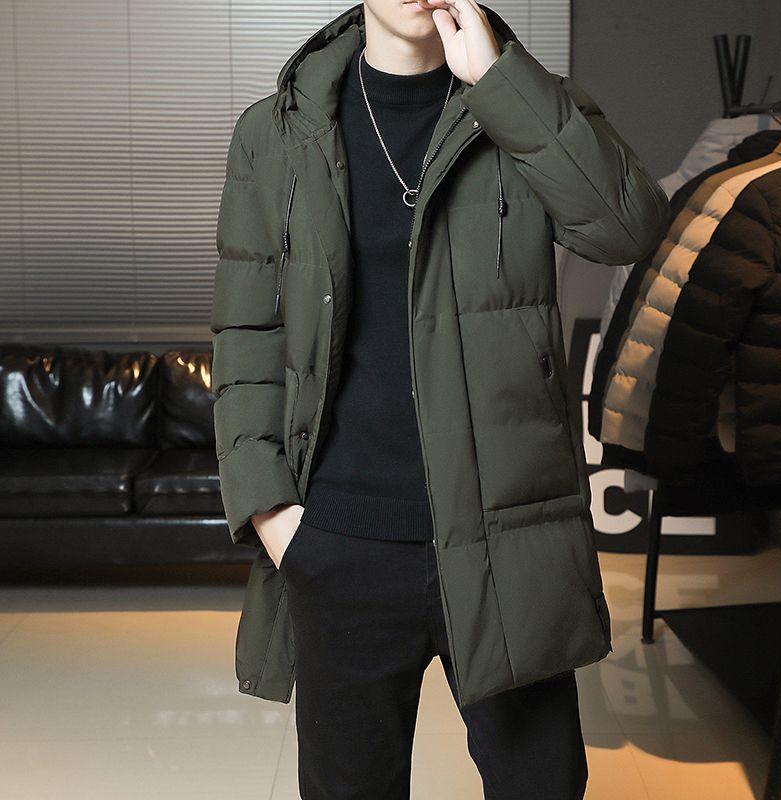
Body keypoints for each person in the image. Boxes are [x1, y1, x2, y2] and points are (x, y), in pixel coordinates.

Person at [210, 1, 670, 797]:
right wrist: (274, 517)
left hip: (506, 540)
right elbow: (248, 331)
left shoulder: (524, 99)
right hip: (341, 543)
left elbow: (628, 228)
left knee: (542, 785)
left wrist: (496, 80)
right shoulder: (275, 132)